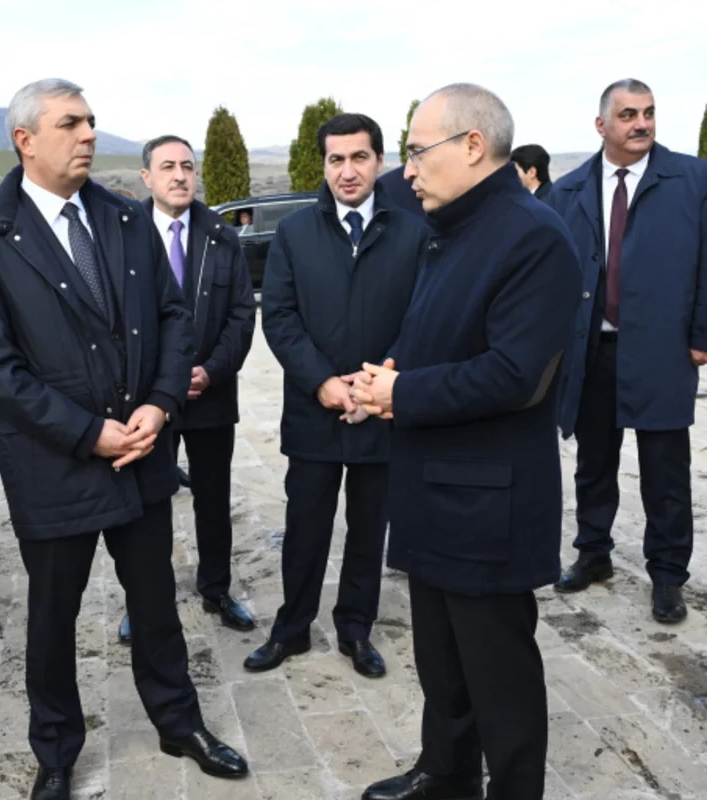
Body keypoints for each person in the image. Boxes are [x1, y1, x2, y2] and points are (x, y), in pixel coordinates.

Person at [0, 79, 248, 800]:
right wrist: (88, 434)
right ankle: (55, 749)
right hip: (55, 467)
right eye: (70, 124)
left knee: (155, 603)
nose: (87, 135)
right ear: (25, 140)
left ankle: (179, 722)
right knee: (53, 617)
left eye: (91, 122)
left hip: (141, 453)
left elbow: (174, 318)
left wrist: (161, 403)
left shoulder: (122, 219)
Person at [352, 83, 580, 800]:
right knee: (441, 661)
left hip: (489, 504)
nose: (408, 169)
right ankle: (445, 774)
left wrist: (403, 394)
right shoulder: (449, 228)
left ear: (473, 146)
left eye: (419, 151)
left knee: (499, 678)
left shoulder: (533, 236)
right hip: (433, 488)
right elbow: (440, 331)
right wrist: (394, 365)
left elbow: (517, 376)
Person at [250, 113, 426, 678]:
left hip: (383, 409)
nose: (347, 171)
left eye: (359, 157)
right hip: (313, 410)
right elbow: (278, 316)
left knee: (369, 526)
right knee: (306, 526)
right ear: (322, 165)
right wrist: (322, 381)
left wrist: (378, 382)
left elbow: (423, 317)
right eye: (335, 159)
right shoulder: (295, 234)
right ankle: (292, 628)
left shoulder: (413, 233)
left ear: (380, 161)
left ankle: (356, 629)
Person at [548, 79, 707, 624]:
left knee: (666, 470)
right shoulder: (567, 191)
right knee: (594, 463)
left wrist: (701, 335)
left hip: (663, 349)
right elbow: (552, 277)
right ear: (602, 126)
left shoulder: (693, 179)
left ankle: (667, 577)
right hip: (592, 350)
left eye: (649, 113)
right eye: (628, 115)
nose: (641, 123)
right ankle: (593, 553)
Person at [116, 134, 256, 647]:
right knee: (148, 503)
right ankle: (143, 601)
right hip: (149, 401)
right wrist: (163, 383)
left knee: (213, 500)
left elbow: (242, 315)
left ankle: (216, 588)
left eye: (187, 166)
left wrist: (210, 371)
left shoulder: (222, 235)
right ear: (146, 178)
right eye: (167, 166)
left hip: (209, 395)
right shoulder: (123, 234)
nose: (179, 175)